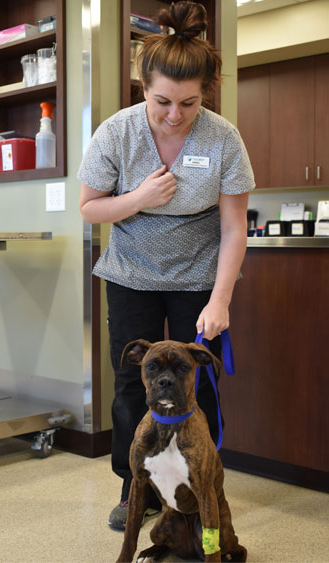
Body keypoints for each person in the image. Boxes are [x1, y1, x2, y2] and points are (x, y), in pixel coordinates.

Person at [78, 1, 255, 531]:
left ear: (206, 94)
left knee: (198, 385)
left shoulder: (223, 138)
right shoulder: (116, 133)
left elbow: (233, 227)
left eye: (188, 102)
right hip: (130, 272)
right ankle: (137, 488)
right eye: (161, 101)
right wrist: (139, 197)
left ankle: (204, 486)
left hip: (199, 279)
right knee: (135, 383)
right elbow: (89, 207)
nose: (174, 114)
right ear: (142, 87)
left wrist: (220, 298)